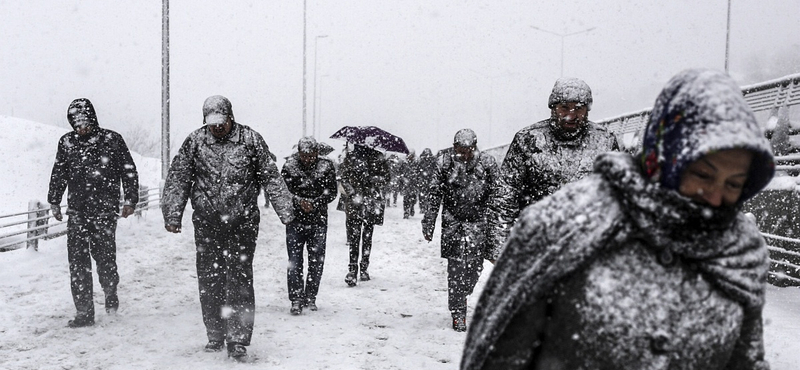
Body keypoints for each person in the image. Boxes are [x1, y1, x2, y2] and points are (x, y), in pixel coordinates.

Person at [460, 69, 775, 370]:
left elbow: (747, 360)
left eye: (734, 183)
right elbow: (498, 355)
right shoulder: (553, 226)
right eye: (702, 174)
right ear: (661, 159)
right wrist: (501, 248)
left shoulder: (740, 256)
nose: (715, 198)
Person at [161, 95, 294, 360]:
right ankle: (215, 333)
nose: (217, 127)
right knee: (210, 279)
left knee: (240, 278)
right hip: (207, 223)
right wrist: (172, 213)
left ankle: (238, 337)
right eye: (211, 122)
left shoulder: (250, 140)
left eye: (221, 121)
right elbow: (179, 177)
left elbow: (270, 176)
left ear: (230, 117)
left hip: (242, 222)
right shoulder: (195, 142)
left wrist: (285, 209)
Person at [488, 77, 619, 258]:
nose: (570, 115)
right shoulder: (528, 140)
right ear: (553, 107)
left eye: (578, 108)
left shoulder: (605, 141)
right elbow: (505, 196)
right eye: (564, 107)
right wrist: (500, 250)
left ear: (587, 109)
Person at [48, 98, 139, 328]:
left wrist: (130, 199)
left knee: (105, 258)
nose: (81, 127)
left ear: (93, 118)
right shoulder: (66, 143)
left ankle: (110, 291)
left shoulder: (112, 140)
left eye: (84, 121)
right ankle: (84, 312)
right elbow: (59, 171)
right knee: (78, 262)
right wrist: (54, 200)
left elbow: (128, 171)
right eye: (76, 123)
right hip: (77, 211)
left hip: (104, 211)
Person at [422, 129, 499, 332]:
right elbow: (433, 193)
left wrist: (497, 223)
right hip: (453, 221)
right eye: (460, 150)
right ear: (454, 147)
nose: (464, 154)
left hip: (478, 221)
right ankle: (458, 311)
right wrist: (429, 221)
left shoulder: (487, 163)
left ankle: (464, 291)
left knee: (475, 267)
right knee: (455, 268)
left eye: (468, 150)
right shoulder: (444, 162)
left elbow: (499, 193)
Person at [281, 136, 338, 315]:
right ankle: (296, 298)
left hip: (318, 220)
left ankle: (311, 296)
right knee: (295, 261)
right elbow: (282, 191)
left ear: (316, 153)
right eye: (304, 155)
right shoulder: (289, 167)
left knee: (316, 261)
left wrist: (317, 202)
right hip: (295, 220)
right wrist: (299, 202)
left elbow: (332, 192)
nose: (308, 159)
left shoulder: (326, 166)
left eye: (311, 155)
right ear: (299, 153)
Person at [339, 143, 390, 286]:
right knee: (355, 236)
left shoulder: (378, 159)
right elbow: (343, 178)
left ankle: (363, 267)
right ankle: (353, 269)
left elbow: (386, 178)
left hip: (371, 201)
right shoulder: (351, 158)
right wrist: (353, 192)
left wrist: (374, 180)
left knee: (367, 236)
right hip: (357, 201)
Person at [416, 147, 438, 215]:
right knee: (422, 195)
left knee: (429, 194)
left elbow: (435, 169)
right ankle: (422, 207)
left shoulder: (433, 160)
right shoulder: (421, 160)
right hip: (423, 179)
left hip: (429, 180)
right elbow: (418, 170)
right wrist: (419, 177)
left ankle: (427, 207)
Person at [401, 149, 419, 218]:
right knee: (406, 198)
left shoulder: (417, 162)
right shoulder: (404, 162)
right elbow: (400, 172)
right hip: (406, 183)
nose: (410, 156)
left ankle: (412, 207)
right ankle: (406, 212)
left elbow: (419, 172)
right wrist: (403, 179)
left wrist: (417, 179)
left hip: (414, 183)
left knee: (413, 198)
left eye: (411, 155)